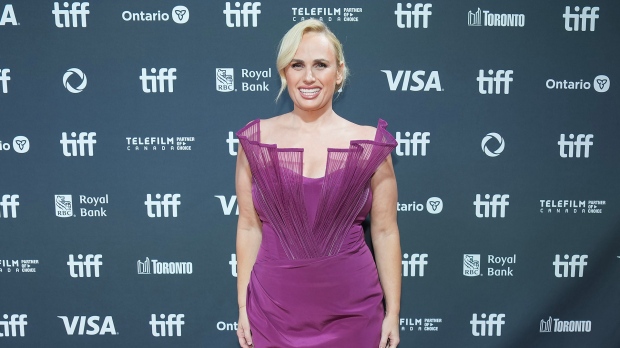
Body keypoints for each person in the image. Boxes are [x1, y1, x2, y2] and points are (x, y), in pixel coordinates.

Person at [235, 19, 402, 348]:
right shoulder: (255, 141)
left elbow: (385, 231)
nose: (308, 77)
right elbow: (248, 226)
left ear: (339, 72)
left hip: (353, 311)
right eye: (297, 65)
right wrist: (243, 306)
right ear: (285, 72)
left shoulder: (369, 144)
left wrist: (393, 312)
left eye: (320, 65)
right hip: (273, 311)